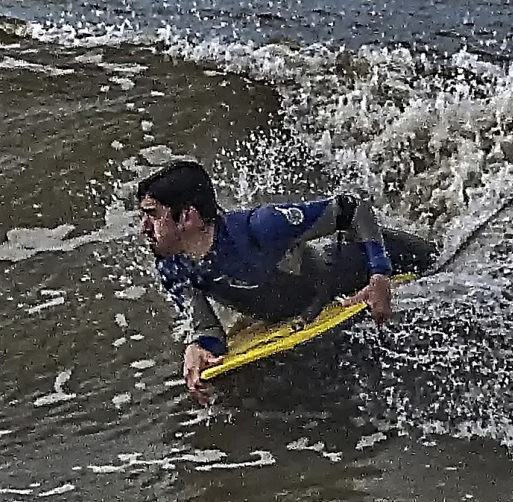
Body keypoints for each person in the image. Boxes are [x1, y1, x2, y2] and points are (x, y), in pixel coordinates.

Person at [136, 159, 437, 404]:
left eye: (153, 215)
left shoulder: (262, 227)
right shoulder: (173, 265)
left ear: (188, 216)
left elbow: (351, 209)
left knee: (442, 267)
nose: (143, 228)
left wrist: (380, 276)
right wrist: (199, 347)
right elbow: (209, 330)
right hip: (306, 308)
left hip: (367, 264)